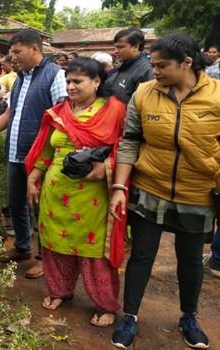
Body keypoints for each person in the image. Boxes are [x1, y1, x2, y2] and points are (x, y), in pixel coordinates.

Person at [109, 33, 219, 350]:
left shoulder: (217, 95)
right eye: (153, 65)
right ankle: (129, 316)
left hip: (196, 193)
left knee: (191, 260)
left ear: (186, 62)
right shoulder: (145, 93)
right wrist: (119, 186)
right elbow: (130, 140)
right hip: (149, 187)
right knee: (142, 254)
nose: (154, 72)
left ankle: (189, 317)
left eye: (162, 66)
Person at [25, 57, 126, 328]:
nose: (70, 86)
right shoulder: (59, 111)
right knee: (55, 246)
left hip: (92, 194)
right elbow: (46, 149)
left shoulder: (114, 111)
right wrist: (33, 178)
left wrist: (104, 168)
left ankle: (105, 305)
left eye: (77, 81)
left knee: (94, 252)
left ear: (96, 82)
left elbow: (125, 151)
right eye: (68, 81)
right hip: (55, 190)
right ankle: (60, 292)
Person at [0, 29, 68, 279]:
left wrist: (50, 158)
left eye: (17, 52)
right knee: (16, 204)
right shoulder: (20, 78)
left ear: (35, 49)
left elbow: (62, 116)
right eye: (11, 53)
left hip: (41, 158)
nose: (13, 58)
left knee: (44, 208)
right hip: (16, 153)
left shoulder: (55, 76)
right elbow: (9, 114)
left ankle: (45, 257)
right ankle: (22, 247)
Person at [104, 27, 154, 104]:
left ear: (136, 47)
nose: (115, 52)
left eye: (120, 47)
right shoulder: (124, 66)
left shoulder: (146, 70)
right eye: (115, 47)